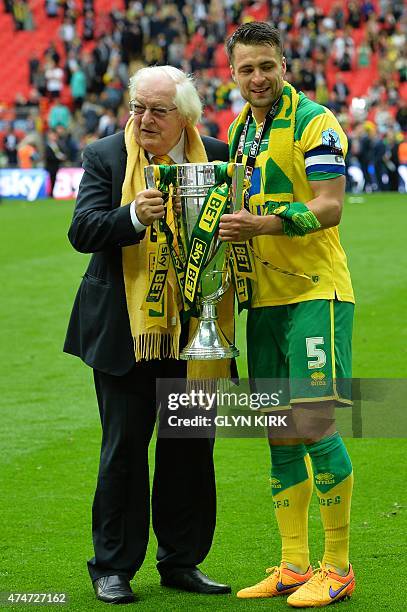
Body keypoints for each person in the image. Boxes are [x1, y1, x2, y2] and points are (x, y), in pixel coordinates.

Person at [63, 65, 231, 605]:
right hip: (125, 331)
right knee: (124, 450)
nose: (144, 119)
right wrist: (131, 215)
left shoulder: (218, 156)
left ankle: (181, 560)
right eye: (137, 107)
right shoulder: (106, 155)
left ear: (186, 116)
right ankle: (112, 567)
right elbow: (82, 230)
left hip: (195, 331)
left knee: (189, 449)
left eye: (158, 110)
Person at [219, 22, 355, 608]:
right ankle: (295, 564)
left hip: (314, 294)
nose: (257, 78)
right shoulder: (237, 132)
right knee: (278, 431)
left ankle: (339, 566)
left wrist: (263, 224)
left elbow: (329, 207)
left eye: (266, 67)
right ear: (232, 73)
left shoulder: (314, 122)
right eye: (246, 69)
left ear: (284, 64)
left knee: (314, 422)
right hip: (263, 300)